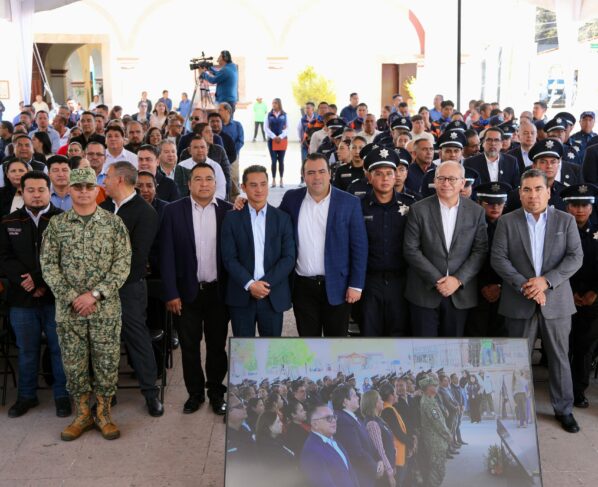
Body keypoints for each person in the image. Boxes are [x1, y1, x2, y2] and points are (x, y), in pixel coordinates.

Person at [40, 167, 131, 441]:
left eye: (88, 187)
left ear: (97, 190)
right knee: (74, 364)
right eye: (77, 187)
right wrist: (73, 297)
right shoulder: (57, 225)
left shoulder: (114, 224)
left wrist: (94, 295)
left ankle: (103, 414)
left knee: (106, 362)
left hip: (105, 309)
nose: (82, 192)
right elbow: (48, 266)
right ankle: (82, 415)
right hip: (69, 312)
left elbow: (122, 265)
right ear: (69, 190)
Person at [491, 168, 583, 433]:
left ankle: (564, 409)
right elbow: (499, 258)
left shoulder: (565, 221)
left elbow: (575, 257)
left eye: (538, 189)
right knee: (516, 359)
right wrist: (526, 285)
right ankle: (517, 411)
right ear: (520, 193)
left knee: (559, 357)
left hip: (556, 301)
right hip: (518, 300)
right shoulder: (507, 222)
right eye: (527, 190)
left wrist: (546, 282)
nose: (533, 195)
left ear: (549, 192)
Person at [160, 163, 231, 415]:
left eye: (209, 179)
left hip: (218, 293)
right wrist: (171, 292)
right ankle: (195, 394)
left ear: (216, 183)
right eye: (198, 179)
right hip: (185, 293)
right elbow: (166, 255)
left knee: (216, 346)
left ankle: (216, 393)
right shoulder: (172, 211)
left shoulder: (228, 211)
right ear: (188, 184)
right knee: (189, 347)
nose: (204, 184)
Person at [0, 171, 69, 418]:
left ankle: (62, 396)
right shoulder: (8, 221)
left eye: (41, 190)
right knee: (26, 350)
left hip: (55, 297)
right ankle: (26, 396)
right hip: (21, 299)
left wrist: (39, 280)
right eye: (31, 190)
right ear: (22, 192)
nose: (36, 195)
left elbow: (66, 257)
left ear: (49, 191)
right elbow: (4, 258)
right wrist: (26, 281)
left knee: (59, 349)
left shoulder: (64, 220)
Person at [279, 153, 368, 337]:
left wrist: (356, 285)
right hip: (302, 287)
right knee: (308, 343)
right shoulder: (291, 199)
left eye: (321, 171)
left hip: (339, 286)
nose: (317, 177)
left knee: (336, 345)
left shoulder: (349, 202)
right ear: (303, 175)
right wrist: (247, 202)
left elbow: (359, 246)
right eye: (311, 172)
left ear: (330, 174)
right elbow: (272, 221)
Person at [100, 161, 163, 417]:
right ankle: (107, 394)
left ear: (120, 179)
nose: (104, 182)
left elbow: (137, 257)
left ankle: (150, 393)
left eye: (107, 177)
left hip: (129, 288)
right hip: (100, 289)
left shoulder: (145, 212)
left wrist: (109, 279)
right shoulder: (103, 208)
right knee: (104, 341)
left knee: (137, 339)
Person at [403, 161, 488, 337]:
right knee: (424, 350)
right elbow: (411, 249)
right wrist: (437, 280)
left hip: (460, 293)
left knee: (453, 349)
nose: (446, 183)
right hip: (424, 292)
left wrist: (458, 280)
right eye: (441, 178)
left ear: (462, 183)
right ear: (435, 181)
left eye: (451, 179)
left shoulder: (476, 211)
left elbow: (480, 250)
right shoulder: (418, 209)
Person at [221, 165, 295, 337]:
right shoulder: (231, 218)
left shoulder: (282, 218)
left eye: (263, 184)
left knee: (271, 350)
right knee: (244, 349)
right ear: (243, 187)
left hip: (272, 294)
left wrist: (264, 285)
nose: (259, 189)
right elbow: (229, 258)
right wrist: (250, 284)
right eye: (253, 185)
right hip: (241, 294)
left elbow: (289, 258)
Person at [360, 148, 410, 337]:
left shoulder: (411, 204)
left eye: (389, 173)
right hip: (369, 282)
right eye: (378, 174)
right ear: (369, 177)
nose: (385, 178)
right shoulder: (358, 206)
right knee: (369, 335)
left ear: (395, 175)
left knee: (400, 335)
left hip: (401, 281)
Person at [560, 184, 598, 409]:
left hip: (593, 299)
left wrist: (594, 292)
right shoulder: (559, 230)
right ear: (567, 207)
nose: (580, 210)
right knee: (564, 346)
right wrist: (570, 291)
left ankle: (578, 390)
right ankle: (563, 388)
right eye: (575, 205)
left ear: (591, 208)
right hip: (565, 295)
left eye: (585, 205)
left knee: (585, 346)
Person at [466, 182, 511, 337]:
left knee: (499, 336)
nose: (495, 207)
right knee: (476, 334)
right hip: (475, 290)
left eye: (500, 203)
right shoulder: (469, 225)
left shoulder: (511, 226)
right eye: (489, 203)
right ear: (479, 203)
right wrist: (482, 285)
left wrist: (499, 285)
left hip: (504, 290)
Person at [332, 384, 381, 487]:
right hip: (361, 476)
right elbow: (356, 452)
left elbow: (369, 442)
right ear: (345, 401)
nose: (358, 397)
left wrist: (379, 459)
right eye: (354, 395)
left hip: (367, 472)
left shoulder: (353, 417)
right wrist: (375, 467)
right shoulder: (343, 420)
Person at [300, 404, 360, 487]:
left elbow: (350, 471)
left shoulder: (334, 440)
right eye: (328, 418)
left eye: (334, 417)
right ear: (315, 424)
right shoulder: (311, 451)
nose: (334, 421)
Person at [419, 376, 452, 487]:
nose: (436, 387)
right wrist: (448, 435)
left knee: (437, 470)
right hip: (435, 443)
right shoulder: (428, 403)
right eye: (434, 385)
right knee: (438, 471)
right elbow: (438, 423)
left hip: (435, 441)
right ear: (428, 388)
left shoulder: (430, 399)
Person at [361, 390, 396, 487]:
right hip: (384, 474)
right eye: (380, 399)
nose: (382, 401)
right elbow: (380, 451)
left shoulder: (378, 420)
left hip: (389, 467)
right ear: (374, 403)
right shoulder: (372, 423)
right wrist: (389, 472)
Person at [255, 411, 298, 485]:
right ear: (269, 427)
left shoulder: (278, 439)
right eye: (278, 422)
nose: (281, 424)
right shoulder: (267, 449)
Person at [264, 98, 288, 188]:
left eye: (275, 103)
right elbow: (266, 128)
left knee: (281, 160)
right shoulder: (268, 115)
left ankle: (281, 179)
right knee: (273, 161)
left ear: (279, 104)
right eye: (273, 103)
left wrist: (280, 137)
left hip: (282, 140)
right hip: (272, 141)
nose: (274, 105)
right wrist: (274, 137)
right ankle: (273, 180)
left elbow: (287, 128)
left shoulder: (284, 115)